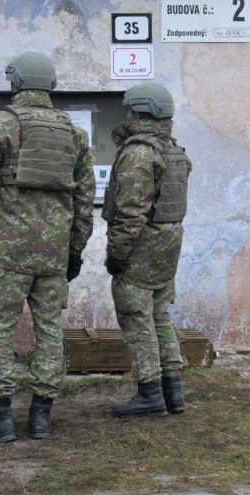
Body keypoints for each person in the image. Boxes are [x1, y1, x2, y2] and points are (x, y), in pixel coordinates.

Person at [0, 51, 95, 441]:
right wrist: (75, 249)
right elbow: (85, 201)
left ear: (16, 84)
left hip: (6, 252)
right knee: (50, 329)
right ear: (49, 86)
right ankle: (41, 417)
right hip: (52, 252)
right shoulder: (74, 133)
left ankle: (0, 418)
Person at [103, 82, 191, 418]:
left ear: (140, 111)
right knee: (159, 317)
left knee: (136, 317)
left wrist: (116, 254)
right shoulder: (172, 148)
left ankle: (150, 394)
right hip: (168, 244)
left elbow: (130, 213)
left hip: (143, 247)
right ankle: (173, 392)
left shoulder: (140, 151)